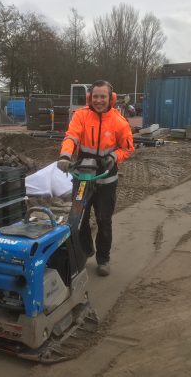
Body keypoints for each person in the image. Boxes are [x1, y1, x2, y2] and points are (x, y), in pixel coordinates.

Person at [57, 80, 134, 276]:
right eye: (96, 96)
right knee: (77, 219)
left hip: (106, 179)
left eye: (103, 97)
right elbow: (71, 136)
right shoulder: (81, 116)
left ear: (111, 98)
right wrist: (66, 155)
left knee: (103, 221)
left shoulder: (119, 122)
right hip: (82, 177)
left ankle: (103, 259)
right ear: (90, 98)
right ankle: (84, 251)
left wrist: (114, 157)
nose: (99, 100)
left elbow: (127, 148)